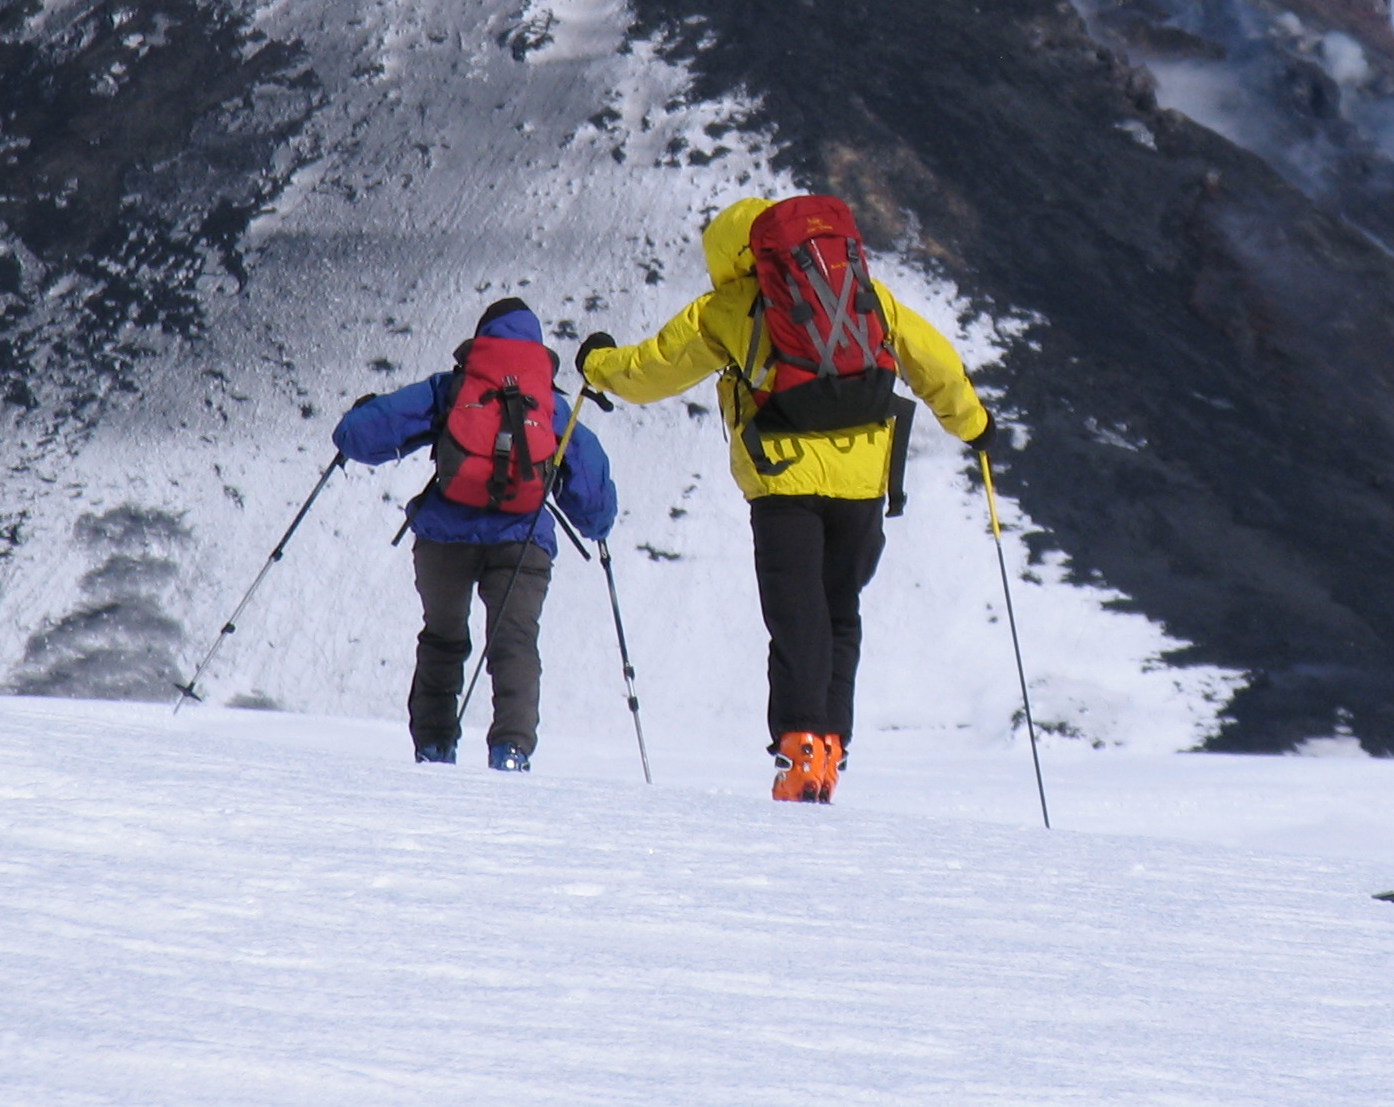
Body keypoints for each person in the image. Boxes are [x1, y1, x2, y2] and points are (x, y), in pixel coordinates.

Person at [576, 196, 993, 804]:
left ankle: (799, 748)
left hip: (785, 482)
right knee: (838, 609)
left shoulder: (733, 306)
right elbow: (935, 363)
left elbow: (652, 369)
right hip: (863, 486)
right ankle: (827, 749)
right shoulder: (866, 295)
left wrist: (596, 364)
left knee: (797, 617)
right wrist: (975, 425)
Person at [335, 297, 617, 770]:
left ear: (482, 339)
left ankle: (434, 746)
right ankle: (511, 750)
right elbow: (592, 500)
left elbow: (359, 437)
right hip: (523, 540)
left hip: (445, 534)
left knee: (443, 637)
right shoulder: (551, 406)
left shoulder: (450, 389)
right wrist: (599, 525)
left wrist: (358, 416)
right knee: (515, 643)